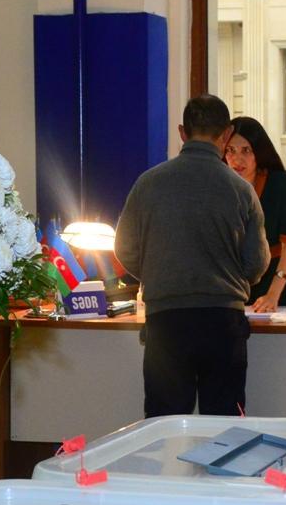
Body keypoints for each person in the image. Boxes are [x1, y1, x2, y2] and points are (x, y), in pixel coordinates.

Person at [115, 94, 269, 417]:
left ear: (182, 133)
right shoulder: (242, 191)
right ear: (226, 135)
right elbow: (257, 262)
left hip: (166, 322)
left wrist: (159, 272)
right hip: (223, 322)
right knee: (224, 425)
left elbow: (124, 249)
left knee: (164, 424)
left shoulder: (148, 184)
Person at [224, 116, 286, 311]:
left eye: (246, 150)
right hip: (234, 285)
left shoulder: (278, 183)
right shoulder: (219, 185)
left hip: (277, 283)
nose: (237, 159)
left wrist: (272, 294)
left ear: (259, 152)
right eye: (230, 150)